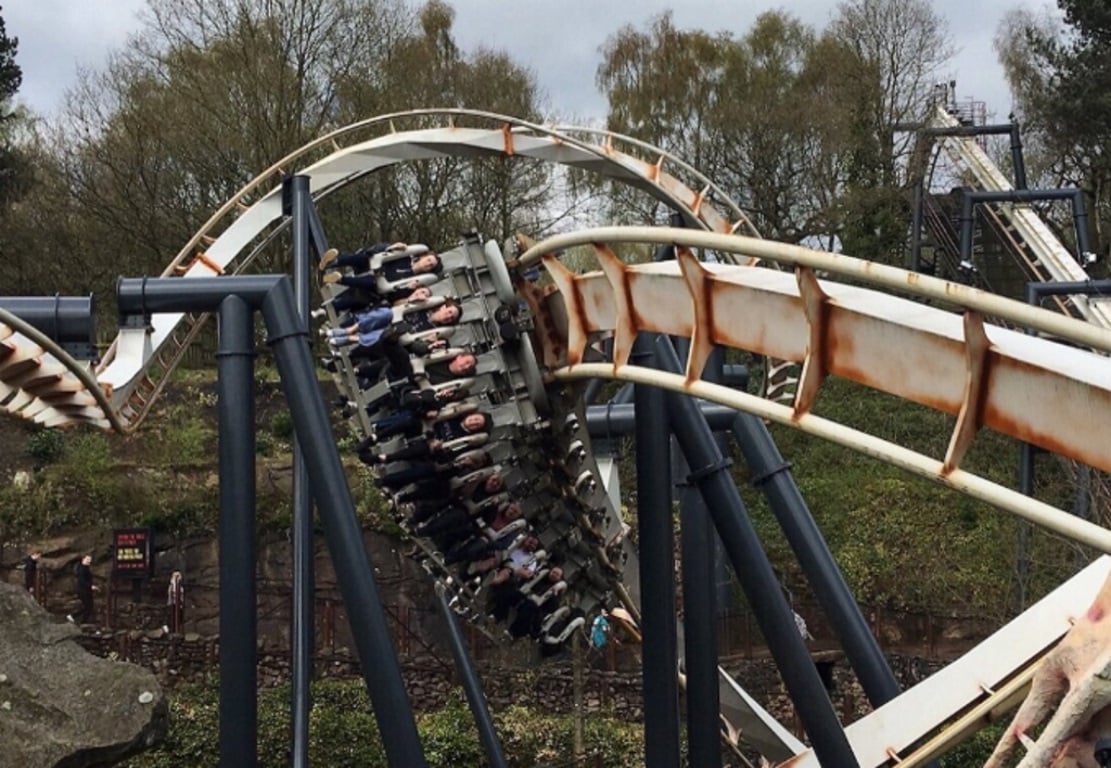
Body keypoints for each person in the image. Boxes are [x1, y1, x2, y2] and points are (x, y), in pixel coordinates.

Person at [68, 554, 99, 625]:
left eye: (90, 560)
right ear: (83, 559)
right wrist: (90, 586)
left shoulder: (85, 568)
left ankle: (83, 621)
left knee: (89, 606)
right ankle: (75, 617)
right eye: (87, 559)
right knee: (87, 606)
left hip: (86, 590)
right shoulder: (82, 569)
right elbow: (82, 580)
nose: (89, 561)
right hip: (83, 590)